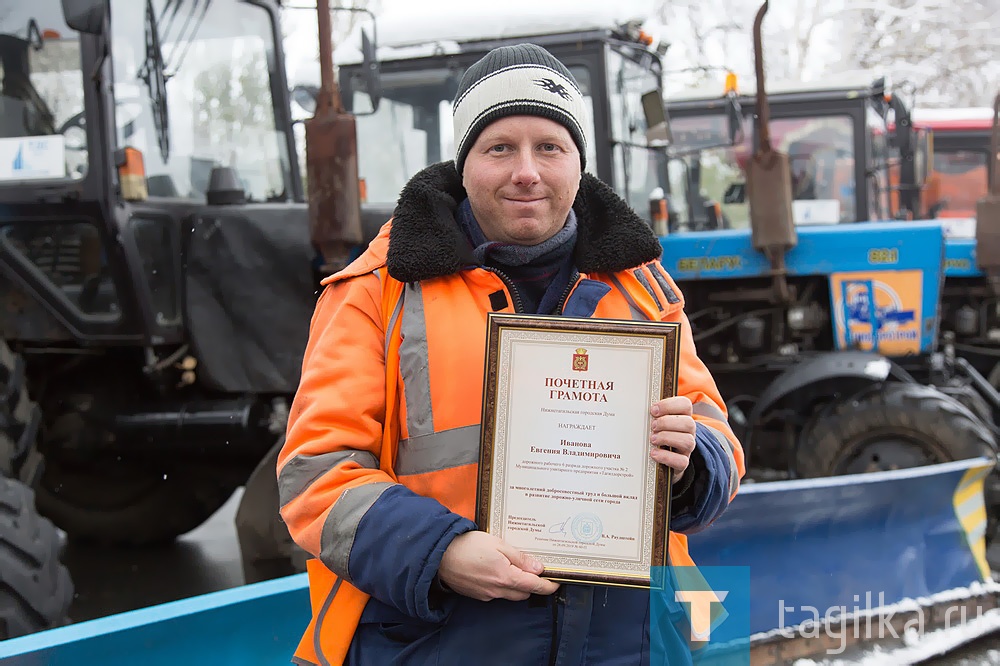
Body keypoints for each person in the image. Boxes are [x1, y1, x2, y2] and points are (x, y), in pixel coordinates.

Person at [277, 43, 745, 666]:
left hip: (626, 642)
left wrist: (693, 461)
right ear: (464, 162)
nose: (527, 171)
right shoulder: (377, 293)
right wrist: (439, 553)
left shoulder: (642, 287)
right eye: (500, 148)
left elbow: (717, 435)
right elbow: (315, 474)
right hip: (444, 639)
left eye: (549, 147)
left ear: (578, 164)